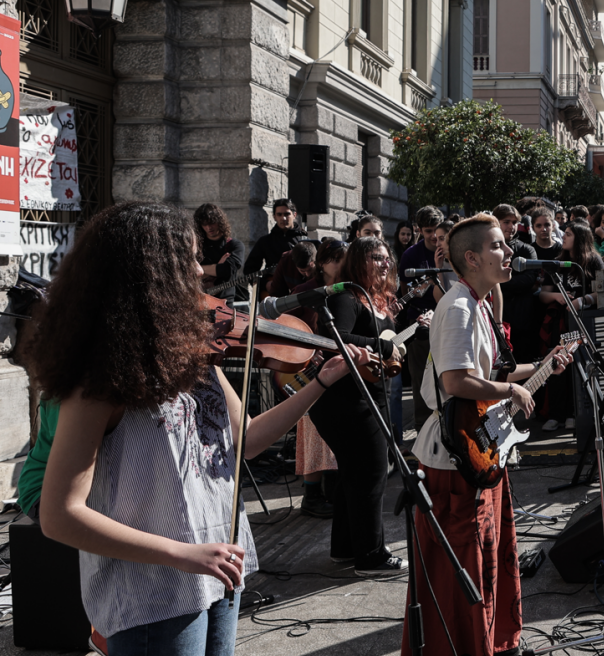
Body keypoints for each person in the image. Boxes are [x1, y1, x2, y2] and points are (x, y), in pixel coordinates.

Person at [29, 202, 369, 655]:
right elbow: (59, 514)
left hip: (217, 572)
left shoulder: (193, 355)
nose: (201, 271)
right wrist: (185, 554)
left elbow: (246, 441)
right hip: (154, 595)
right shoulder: (99, 379)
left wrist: (321, 382)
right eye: (187, 259)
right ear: (150, 272)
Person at [404, 215, 572, 656]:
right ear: (472, 258)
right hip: (453, 460)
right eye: (499, 246)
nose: (510, 251)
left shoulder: (477, 304)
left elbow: (492, 374)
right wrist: (512, 389)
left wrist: (543, 365)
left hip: (480, 451)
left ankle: (492, 642)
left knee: (488, 559)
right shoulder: (458, 307)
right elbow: (456, 382)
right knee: (461, 568)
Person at [307, 237, 409, 574]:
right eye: (375, 257)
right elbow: (336, 338)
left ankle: (347, 548)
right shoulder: (345, 296)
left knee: (355, 475)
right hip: (346, 400)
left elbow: (384, 343)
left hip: (367, 395)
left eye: (386, 257)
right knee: (372, 473)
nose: (384, 263)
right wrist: (379, 345)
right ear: (357, 261)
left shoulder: (374, 298)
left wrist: (392, 340)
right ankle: (371, 555)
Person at [288, 238, 349, 519]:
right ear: (323, 262)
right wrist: (305, 351)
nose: (342, 265)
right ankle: (311, 496)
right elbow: (282, 328)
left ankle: (328, 491)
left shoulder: (346, 291)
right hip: (308, 370)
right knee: (312, 432)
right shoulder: (304, 291)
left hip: (333, 369)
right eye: (337, 260)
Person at [538, 223, 603, 431]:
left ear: (581, 237)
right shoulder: (556, 263)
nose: (563, 237)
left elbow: (602, 293)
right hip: (560, 324)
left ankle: (575, 413)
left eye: (568, 234)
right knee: (558, 365)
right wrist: (557, 296)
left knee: (580, 365)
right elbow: (542, 294)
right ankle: (556, 414)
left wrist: (582, 301)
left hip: (584, 322)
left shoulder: (593, 261)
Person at [398, 206, 447, 429]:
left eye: (437, 231)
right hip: (419, 321)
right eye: (428, 231)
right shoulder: (411, 255)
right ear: (419, 230)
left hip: (447, 316)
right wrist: (426, 284)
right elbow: (405, 292)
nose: (433, 237)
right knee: (421, 379)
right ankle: (424, 429)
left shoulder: (450, 249)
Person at [492, 204, 541, 363]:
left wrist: (499, 281)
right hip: (498, 317)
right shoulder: (486, 249)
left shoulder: (527, 250)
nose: (511, 227)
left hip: (524, 318)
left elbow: (529, 280)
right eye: (506, 222)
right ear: (496, 222)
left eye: (514, 222)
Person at [242, 198, 309, 291]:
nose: (283, 218)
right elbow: (249, 271)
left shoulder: (306, 242)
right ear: (274, 217)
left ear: (294, 215)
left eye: (287, 214)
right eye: (279, 214)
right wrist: (265, 285)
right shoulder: (265, 241)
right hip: (274, 294)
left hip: (299, 292)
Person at [195, 203, 245, 302]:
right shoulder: (196, 246)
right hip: (200, 300)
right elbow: (188, 272)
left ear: (220, 221)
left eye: (212, 222)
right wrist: (217, 266)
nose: (209, 227)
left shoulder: (234, 245)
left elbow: (227, 270)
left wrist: (200, 270)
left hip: (225, 302)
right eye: (204, 224)